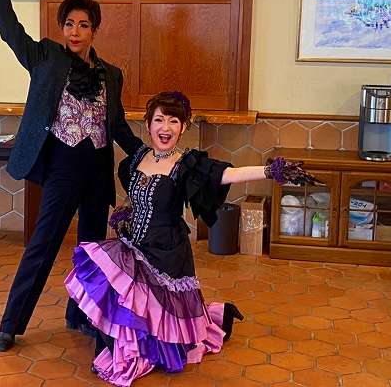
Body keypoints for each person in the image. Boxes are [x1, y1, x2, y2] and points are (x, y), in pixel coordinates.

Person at [65, 91, 316, 386]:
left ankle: (211, 321)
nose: (165, 127)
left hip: (166, 254)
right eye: (159, 120)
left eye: (174, 121)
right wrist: (126, 212)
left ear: (184, 126)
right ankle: (116, 346)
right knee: (102, 279)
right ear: (148, 124)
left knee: (160, 326)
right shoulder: (137, 159)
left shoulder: (186, 164)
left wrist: (269, 170)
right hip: (133, 245)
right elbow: (137, 197)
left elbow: (228, 174)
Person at [0, 0, 143, 352]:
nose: (75, 31)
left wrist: (146, 154)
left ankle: (81, 315)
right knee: (43, 245)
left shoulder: (112, 74)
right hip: (61, 168)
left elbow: (116, 124)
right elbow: (10, 32)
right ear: (62, 27)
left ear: (94, 30)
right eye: (69, 23)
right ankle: (10, 324)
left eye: (83, 25)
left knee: (91, 250)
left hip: (96, 171)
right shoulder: (46, 57)